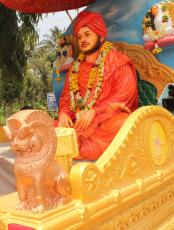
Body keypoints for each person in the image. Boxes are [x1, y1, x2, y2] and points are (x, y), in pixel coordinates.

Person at [57, 11, 138, 161]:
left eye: (87, 34)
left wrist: (95, 111)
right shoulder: (74, 69)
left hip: (104, 122)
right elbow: (66, 99)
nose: (83, 40)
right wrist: (63, 114)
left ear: (101, 36)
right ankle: (74, 146)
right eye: (80, 37)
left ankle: (80, 148)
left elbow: (124, 95)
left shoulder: (118, 62)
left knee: (123, 123)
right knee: (45, 128)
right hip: (77, 122)